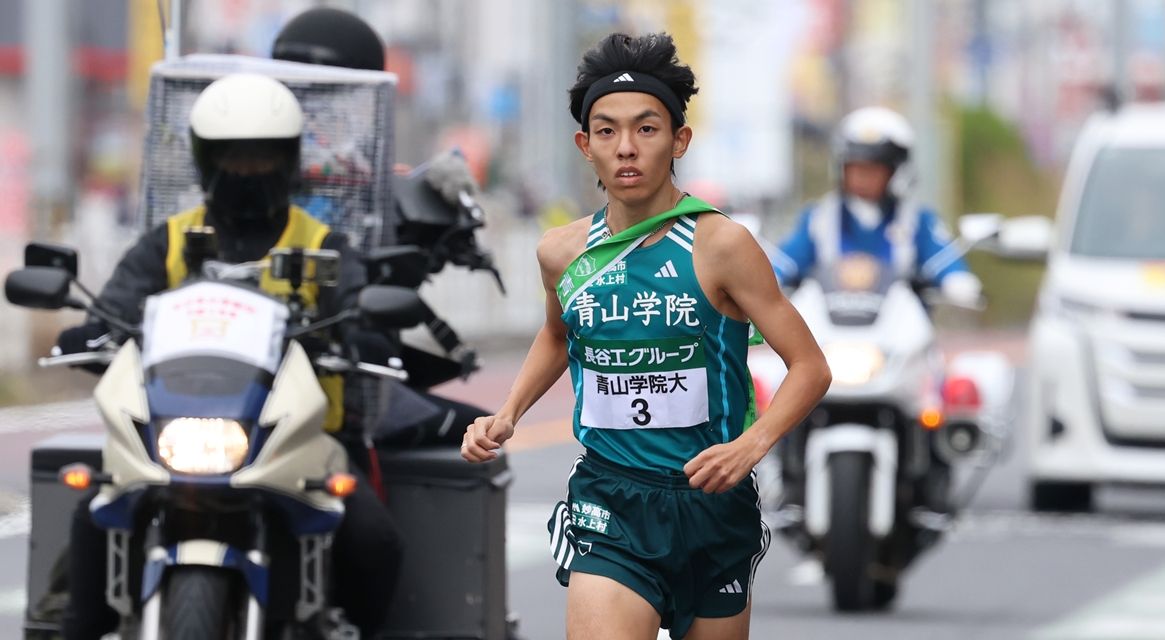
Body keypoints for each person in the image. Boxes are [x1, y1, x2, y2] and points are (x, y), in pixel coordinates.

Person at [460, 33, 831, 640]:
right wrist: (508, 413)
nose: (626, 148)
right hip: (612, 497)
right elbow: (558, 337)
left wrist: (751, 445)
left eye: (647, 129)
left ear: (679, 139)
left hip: (713, 500)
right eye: (606, 131)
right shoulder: (561, 252)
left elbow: (810, 367)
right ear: (585, 145)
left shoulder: (720, 245)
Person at [59, 74, 402, 639]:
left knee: (374, 538)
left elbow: (360, 304)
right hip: (171, 430)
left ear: (289, 161)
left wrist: (365, 335)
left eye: (262, 157)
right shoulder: (167, 241)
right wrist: (89, 332)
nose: (248, 171)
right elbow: (116, 307)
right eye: (233, 157)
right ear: (205, 160)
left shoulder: (323, 245)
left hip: (298, 440)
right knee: (95, 512)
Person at [272, 6, 488, 446]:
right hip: (312, 367)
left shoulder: (367, 175)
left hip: (330, 362)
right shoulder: (355, 172)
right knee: (475, 437)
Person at [771, 106, 982, 305]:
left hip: (901, 335)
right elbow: (786, 261)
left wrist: (958, 281)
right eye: (856, 168)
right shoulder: (819, 219)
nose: (863, 177)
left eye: (873, 169)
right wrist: (770, 278)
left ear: (897, 171)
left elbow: (942, 259)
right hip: (830, 334)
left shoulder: (917, 221)